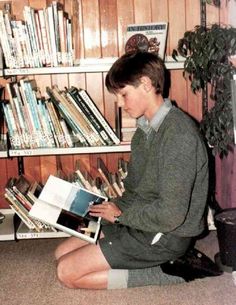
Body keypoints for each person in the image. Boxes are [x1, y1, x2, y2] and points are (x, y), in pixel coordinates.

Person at [54, 51, 209, 289]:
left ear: (146, 84)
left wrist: (119, 216)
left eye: (123, 94)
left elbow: (171, 215)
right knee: (60, 253)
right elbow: (134, 191)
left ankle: (168, 273)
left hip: (167, 235)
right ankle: (130, 254)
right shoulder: (144, 131)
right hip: (141, 220)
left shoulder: (179, 135)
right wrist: (107, 211)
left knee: (67, 273)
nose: (119, 103)